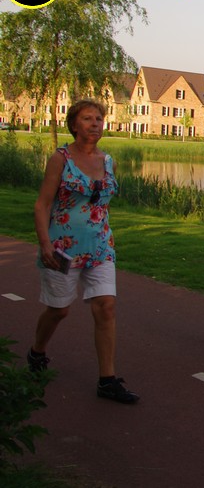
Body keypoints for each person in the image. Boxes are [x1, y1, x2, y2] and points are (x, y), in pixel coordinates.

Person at [29, 98, 139, 404]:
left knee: (106, 306)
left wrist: (102, 231)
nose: (95, 124)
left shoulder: (108, 161)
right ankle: (37, 351)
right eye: (88, 119)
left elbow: (103, 205)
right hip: (62, 247)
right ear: (74, 125)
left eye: (99, 119)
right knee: (59, 310)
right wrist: (44, 243)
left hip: (101, 247)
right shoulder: (61, 159)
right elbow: (42, 204)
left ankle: (107, 380)